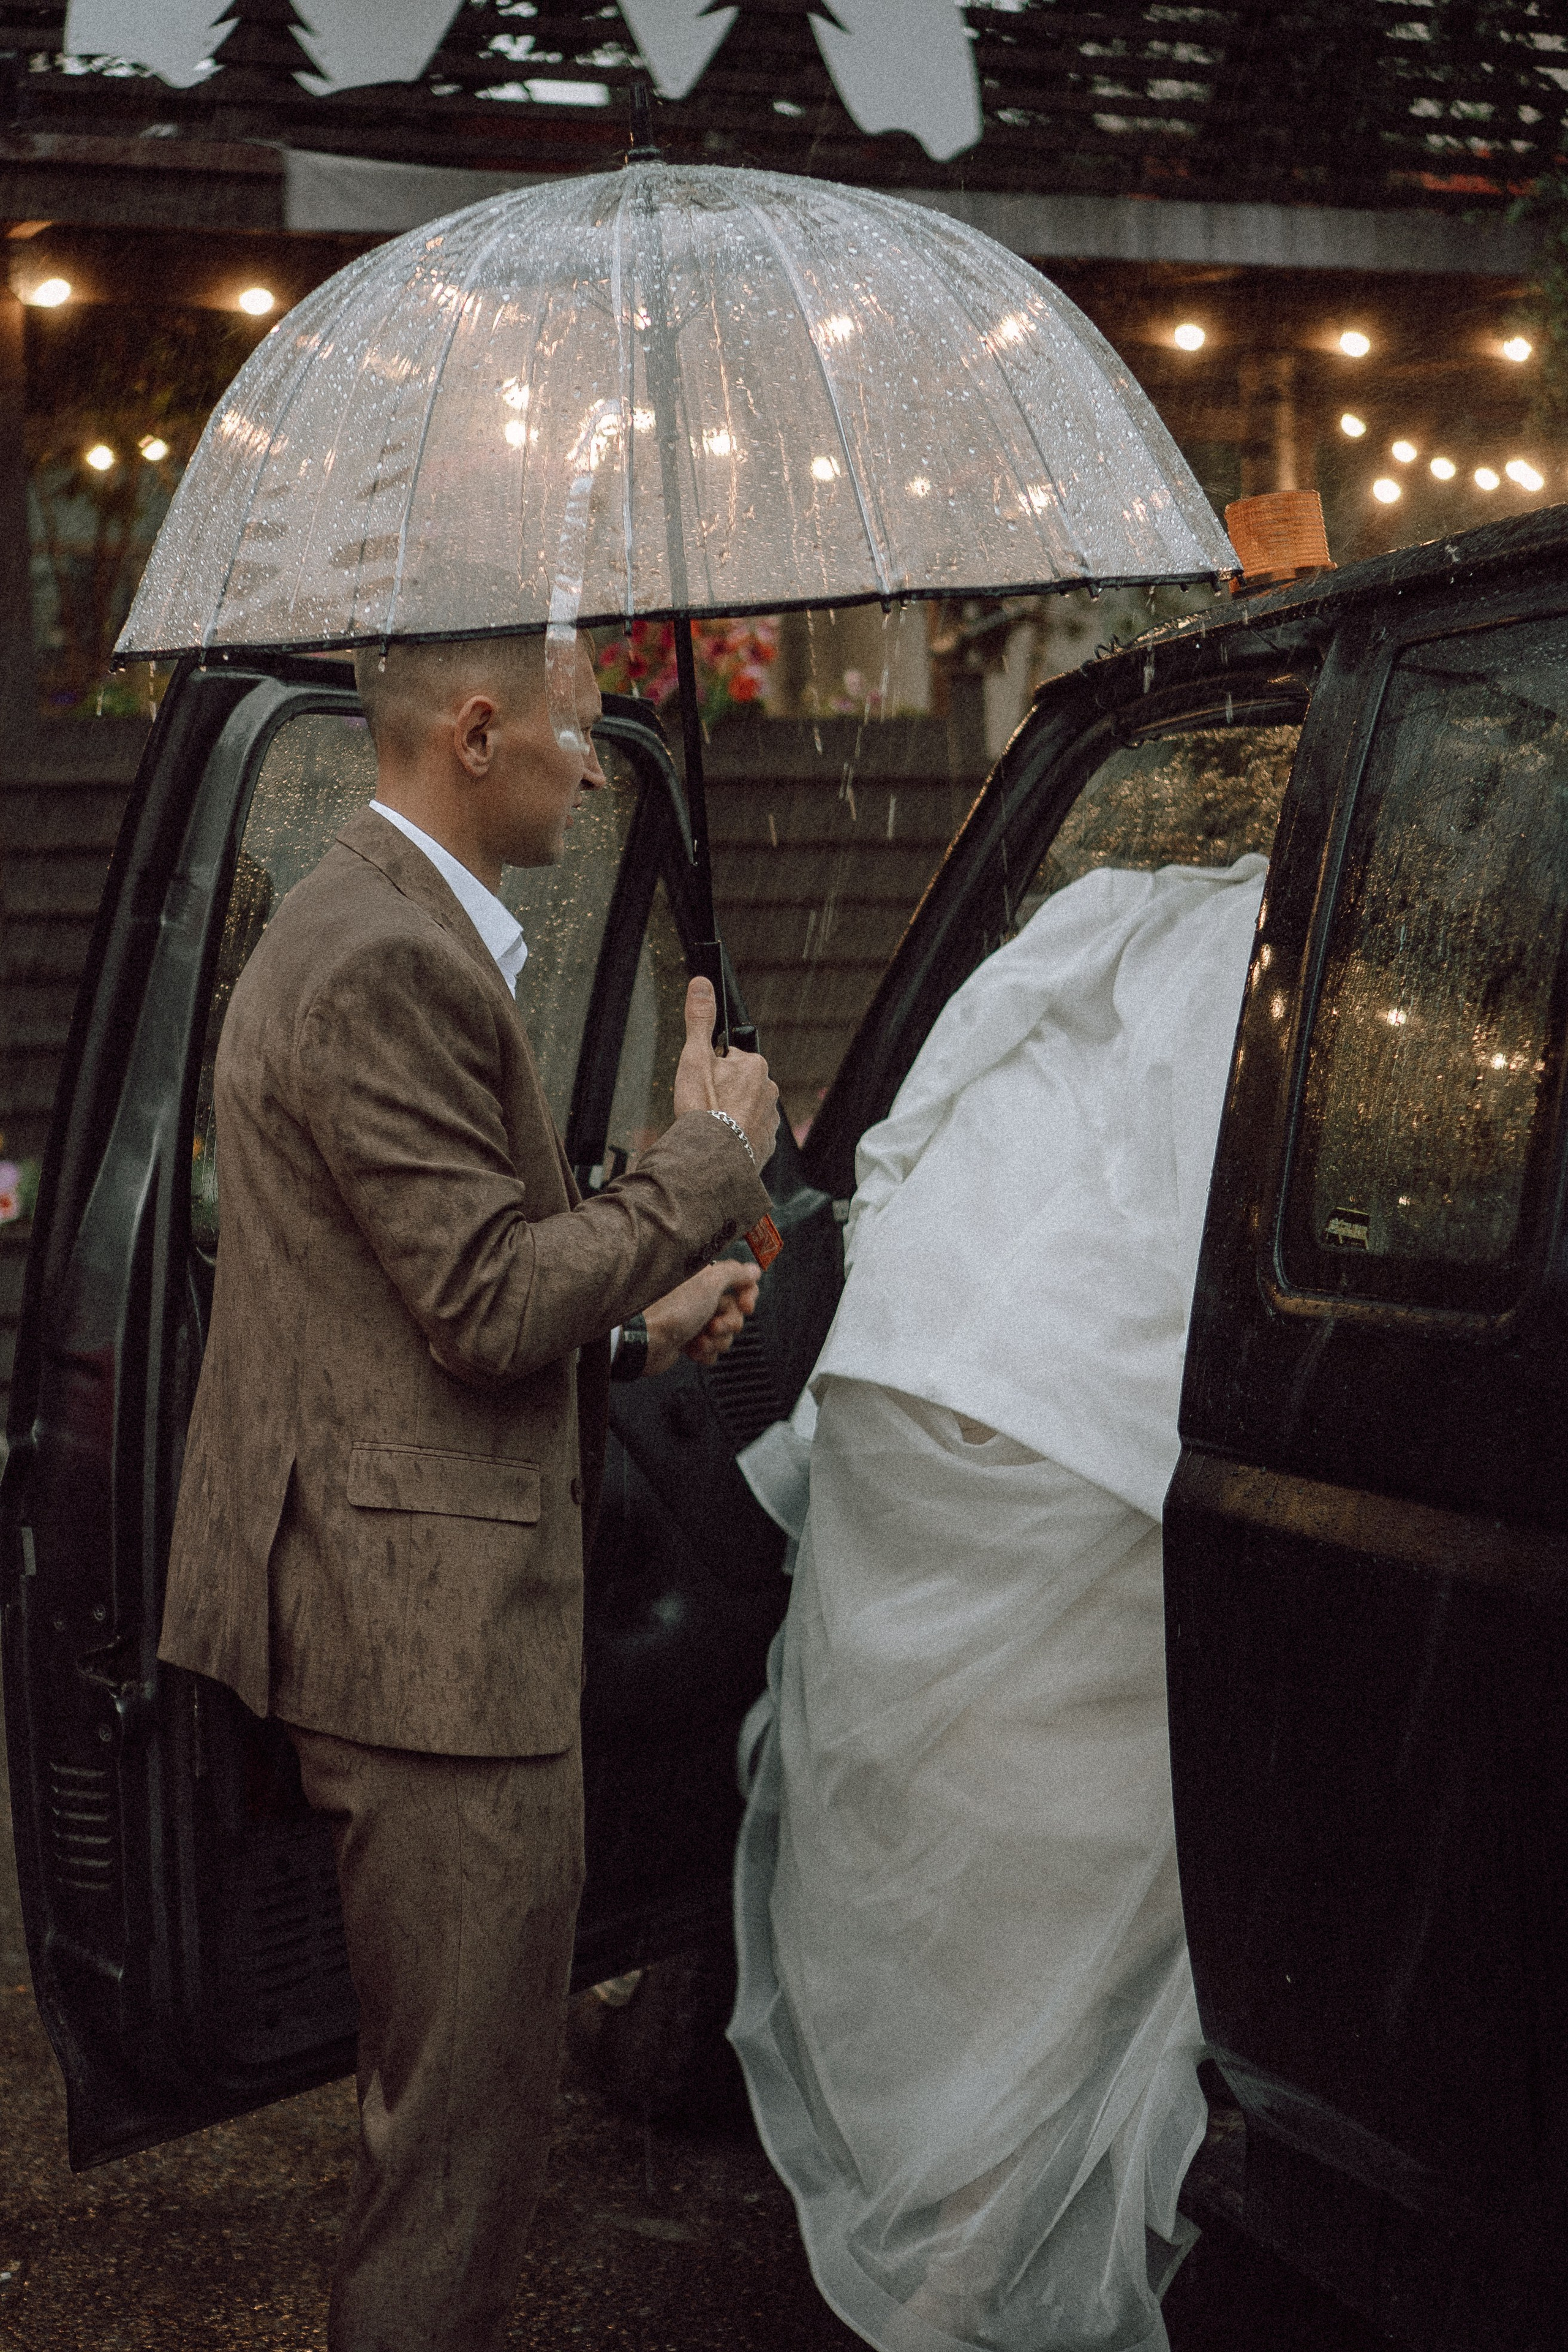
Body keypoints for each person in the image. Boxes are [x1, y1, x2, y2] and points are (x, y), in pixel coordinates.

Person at [159, 628, 780, 2352]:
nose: (597, 769)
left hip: (410, 1604)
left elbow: (407, 1313)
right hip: (422, 1654)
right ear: (479, 729)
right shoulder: (379, 960)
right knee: (454, 2159)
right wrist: (703, 1167)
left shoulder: (393, 931)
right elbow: (489, 1295)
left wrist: (642, 1331)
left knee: (455, 2130)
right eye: (582, 733)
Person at [730, 851, 1269, 2352]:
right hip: (1093, 1437)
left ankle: (954, 2215)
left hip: (918, 1381)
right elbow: (1229, 1223)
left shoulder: (1105, 904)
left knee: (957, 1847)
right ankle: (985, 2227)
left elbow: (912, 1119)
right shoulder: (1294, 950)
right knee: (1106, 1859)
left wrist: (888, 1266)